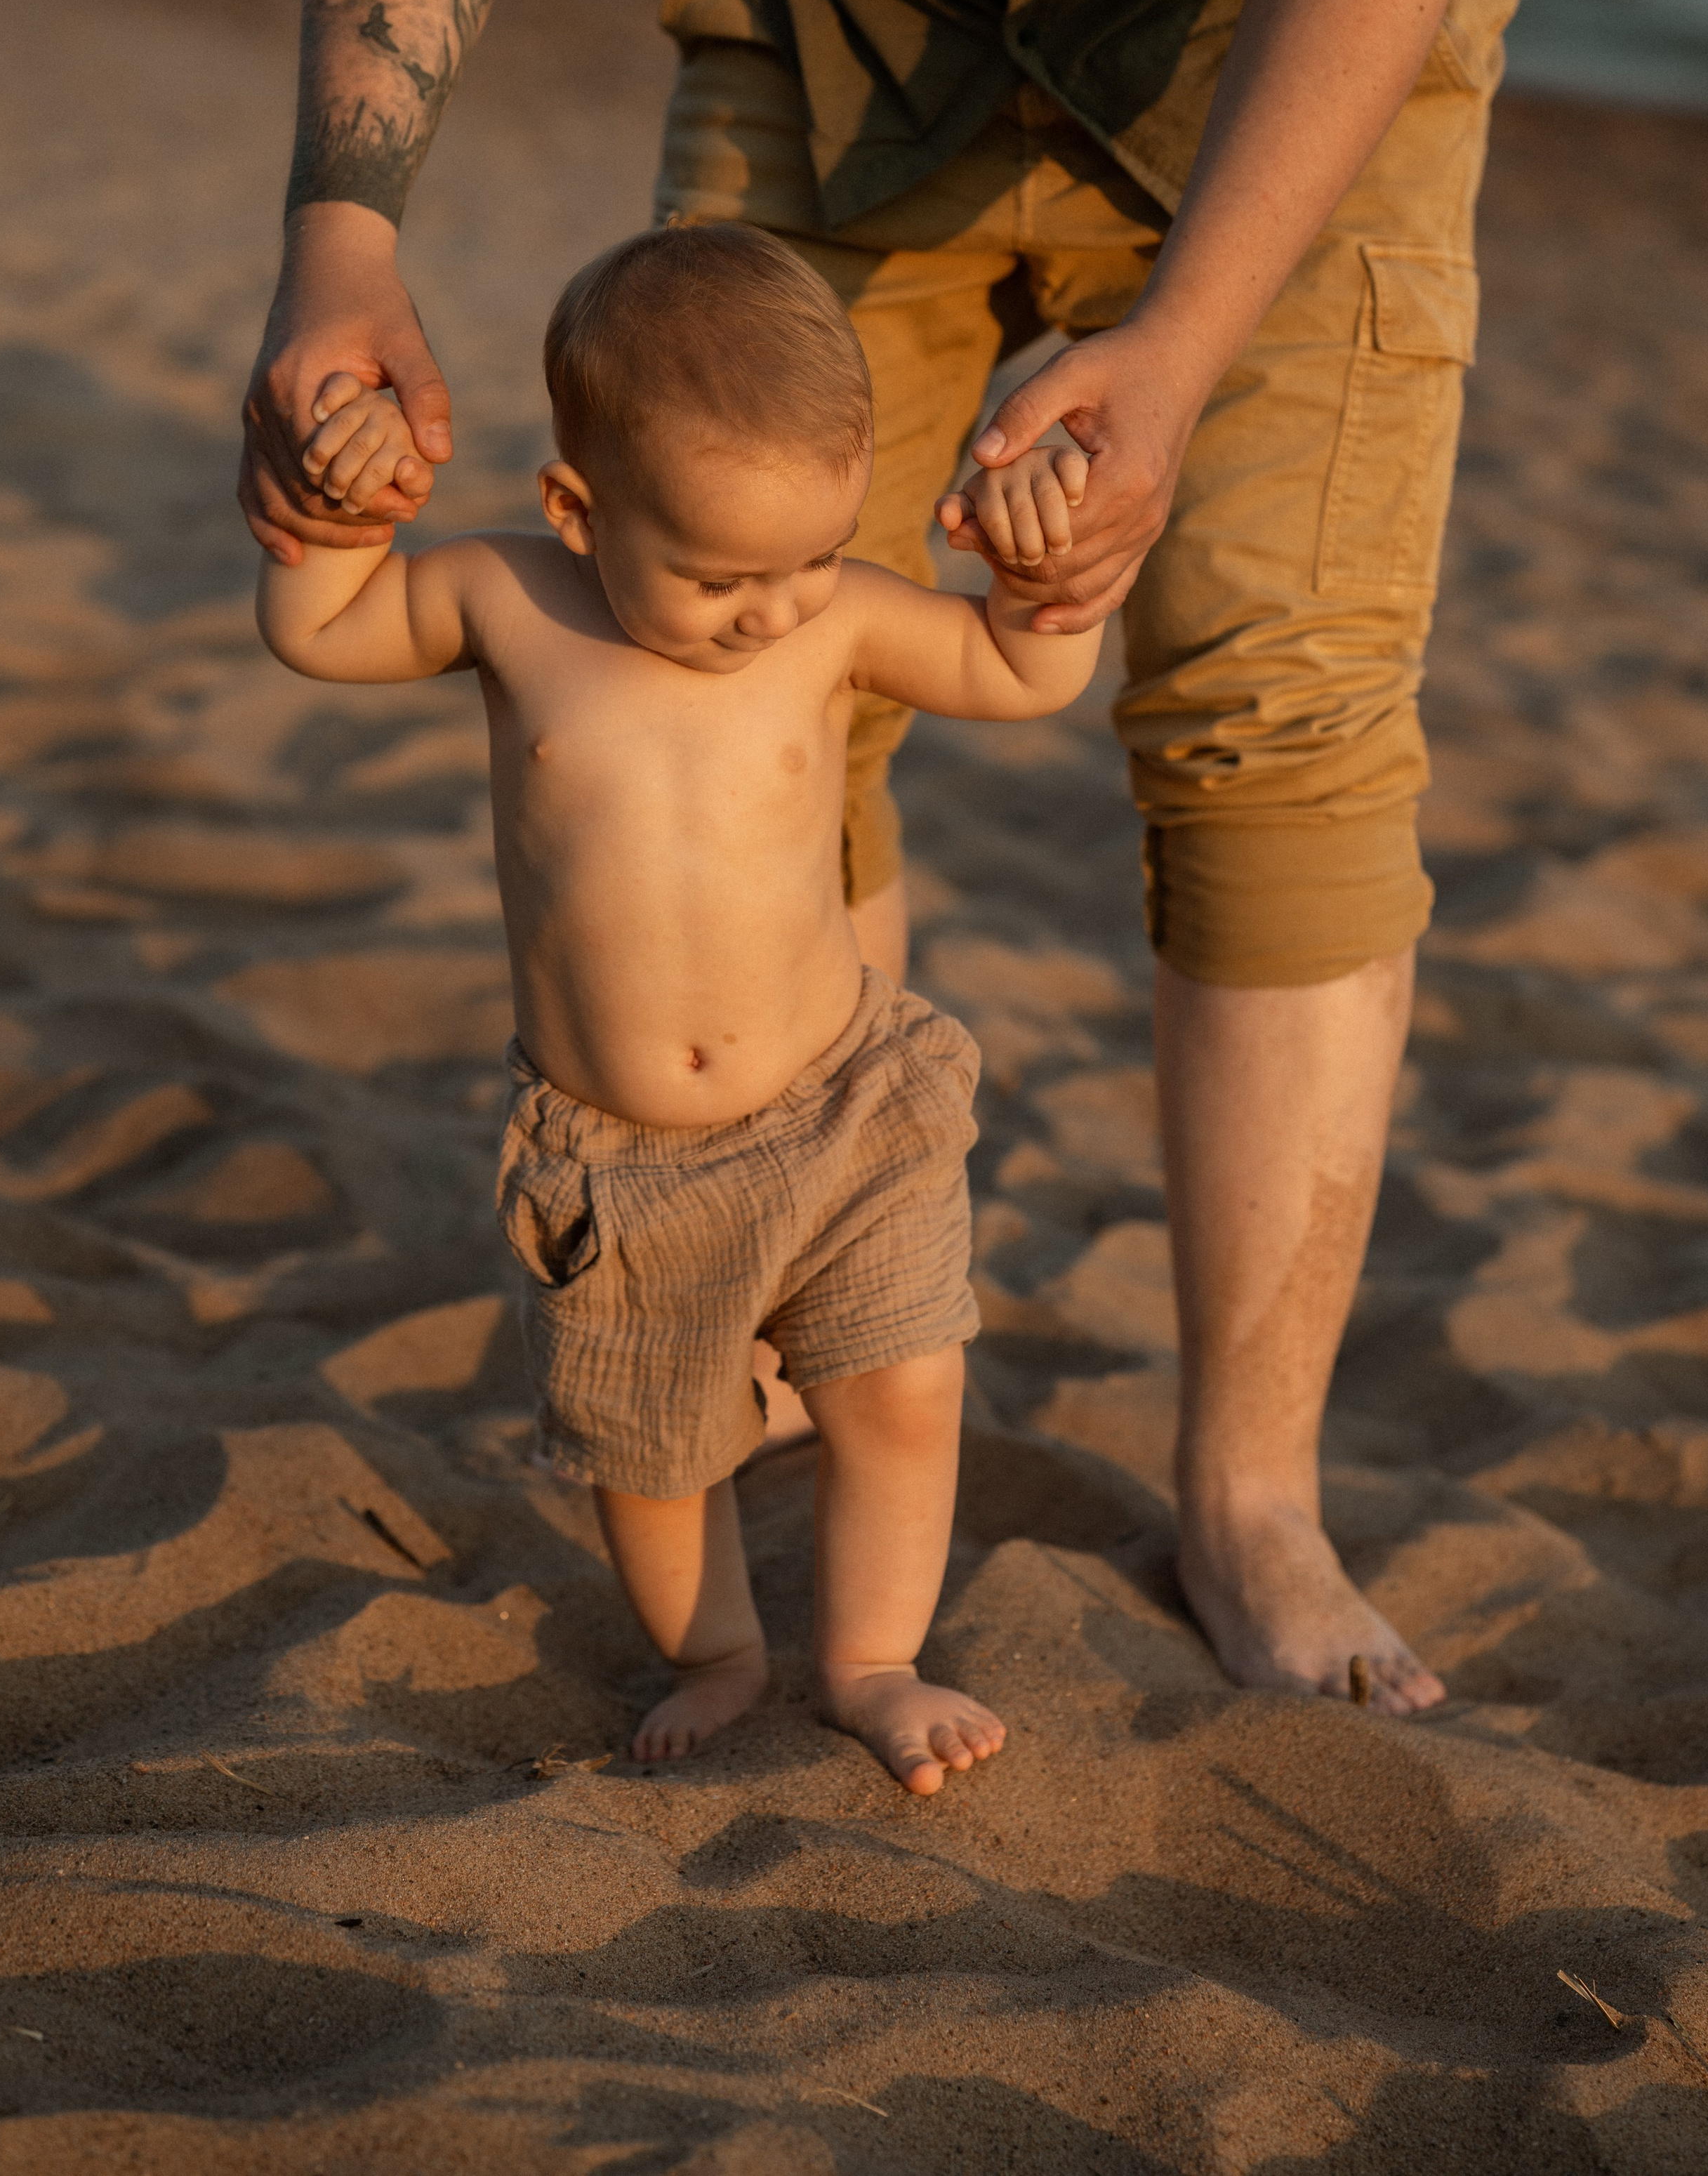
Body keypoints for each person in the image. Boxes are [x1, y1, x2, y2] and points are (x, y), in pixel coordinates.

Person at [242, 0, 1552, 1718]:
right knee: (758, 695)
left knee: (1281, 729)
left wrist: (1177, 346)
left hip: (1287, 49)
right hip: (839, 9)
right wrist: (343, 237)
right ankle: (768, 1337)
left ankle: (1251, 1493)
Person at [254, 220, 1100, 1791]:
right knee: (654, 1460)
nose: (768, 611)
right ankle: (716, 1650)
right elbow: (317, 627)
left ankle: (870, 1659)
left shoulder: (834, 615)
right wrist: (332, 498)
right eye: (716, 574)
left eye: (801, 560)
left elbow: (1016, 673)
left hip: (841, 1106)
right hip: (622, 1165)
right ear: (575, 508)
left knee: (908, 1387)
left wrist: (1044, 576)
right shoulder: (510, 603)